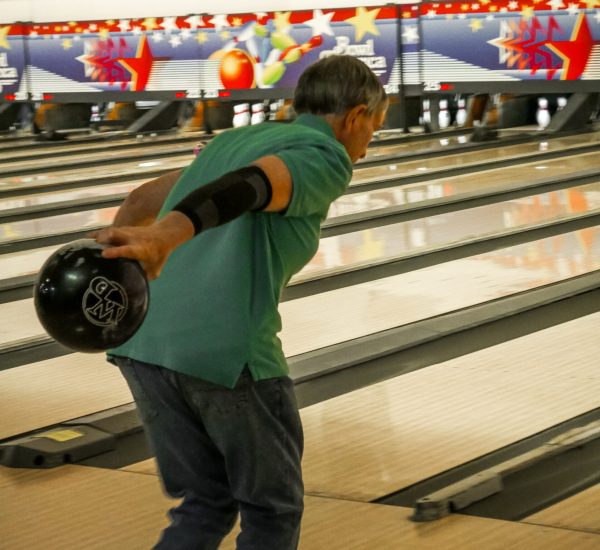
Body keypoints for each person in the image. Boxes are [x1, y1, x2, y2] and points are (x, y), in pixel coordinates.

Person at [92, 54, 388, 549]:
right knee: (272, 511)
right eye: (374, 129)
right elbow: (254, 186)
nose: (365, 147)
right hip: (226, 357)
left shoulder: (231, 140)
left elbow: (145, 200)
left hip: (145, 345)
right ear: (355, 116)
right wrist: (165, 236)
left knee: (205, 504)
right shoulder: (324, 152)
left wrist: (121, 251)